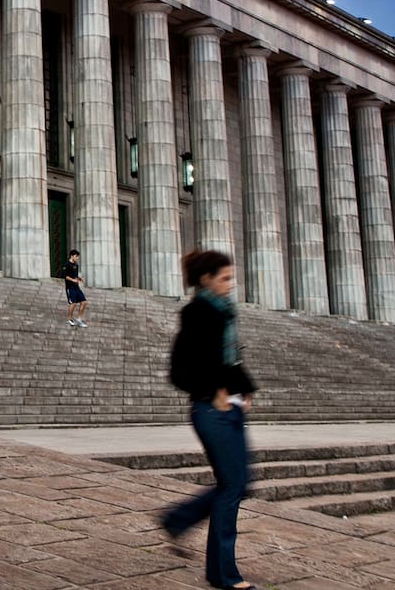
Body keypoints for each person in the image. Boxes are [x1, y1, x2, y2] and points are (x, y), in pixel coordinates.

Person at [164, 250, 258, 590]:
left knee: (239, 484)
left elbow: (229, 362)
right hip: (211, 410)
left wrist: (244, 390)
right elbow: (181, 369)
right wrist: (213, 392)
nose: (230, 284)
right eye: (224, 278)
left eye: (231, 277)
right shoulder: (197, 314)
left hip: (229, 409)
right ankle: (223, 575)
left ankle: (178, 519)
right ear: (206, 279)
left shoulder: (223, 314)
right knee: (233, 486)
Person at [61, 249, 87, 328]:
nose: (77, 258)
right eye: (76, 256)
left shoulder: (76, 265)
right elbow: (64, 276)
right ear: (72, 256)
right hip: (70, 287)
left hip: (76, 287)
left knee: (84, 302)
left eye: (78, 257)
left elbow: (75, 275)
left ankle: (79, 319)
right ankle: (69, 319)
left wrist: (80, 278)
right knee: (73, 303)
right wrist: (73, 280)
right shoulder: (66, 265)